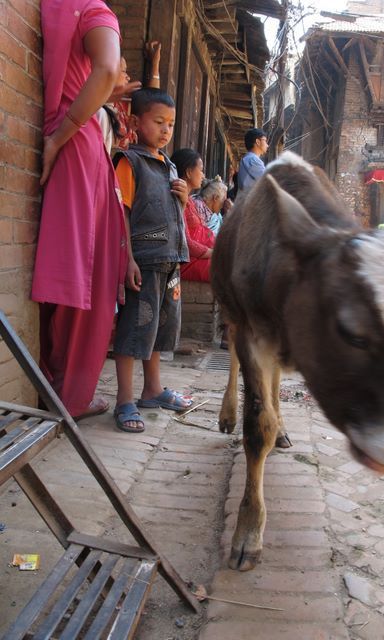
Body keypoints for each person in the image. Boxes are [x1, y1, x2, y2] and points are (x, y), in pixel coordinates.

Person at [31, 0, 128, 419]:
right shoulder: (91, 9)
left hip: (70, 143)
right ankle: (68, 392)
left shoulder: (64, 8)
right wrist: (62, 136)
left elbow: (105, 72)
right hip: (77, 144)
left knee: (72, 270)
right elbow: (106, 70)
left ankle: (61, 387)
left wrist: (58, 136)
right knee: (81, 275)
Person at [112, 89, 192, 432]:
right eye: (158, 122)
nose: (166, 130)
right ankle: (124, 399)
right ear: (135, 122)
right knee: (135, 329)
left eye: (170, 124)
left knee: (160, 328)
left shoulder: (170, 165)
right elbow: (121, 216)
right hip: (143, 260)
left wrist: (185, 199)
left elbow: (175, 214)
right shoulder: (129, 163)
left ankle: (153, 389)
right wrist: (126, 259)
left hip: (170, 260)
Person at [97, 42, 161, 154]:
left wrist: (155, 65)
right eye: (124, 71)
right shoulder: (96, 109)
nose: (128, 77)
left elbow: (153, 103)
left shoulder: (124, 104)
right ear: (109, 71)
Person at [170, 148, 215, 283]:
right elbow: (186, 243)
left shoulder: (189, 200)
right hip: (188, 262)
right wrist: (214, 253)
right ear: (189, 172)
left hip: (199, 257)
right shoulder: (178, 197)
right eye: (201, 170)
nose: (203, 175)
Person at [237, 128, 269, 192]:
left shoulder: (248, 159)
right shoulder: (253, 160)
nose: (267, 145)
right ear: (257, 142)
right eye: (265, 140)